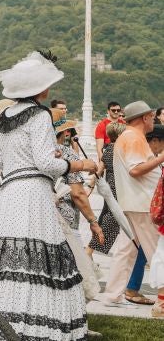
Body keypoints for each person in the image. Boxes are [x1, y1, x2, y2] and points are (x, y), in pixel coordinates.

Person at [0, 55, 98, 341]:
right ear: (40, 90)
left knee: (8, 260)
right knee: (40, 258)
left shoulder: (5, 118)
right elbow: (45, 163)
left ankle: (3, 329)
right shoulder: (40, 116)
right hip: (33, 194)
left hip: (9, 195)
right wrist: (78, 164)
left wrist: (26, 156)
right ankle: (36, 334)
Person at [102, 101, 164, 316]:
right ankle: (162, 301)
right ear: (143, 118)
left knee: (125, 251)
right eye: (151, 116)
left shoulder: (126, 137)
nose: (154, 120)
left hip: (132, 202)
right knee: (157, 250)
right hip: (143, 203)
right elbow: (136, 170)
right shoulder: (134, 138)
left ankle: (112, 295)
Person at [51, 116, 105, 302]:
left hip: (42, 215)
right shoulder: (66, 153)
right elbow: (78, 194)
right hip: (66, 219)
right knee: (78, 269)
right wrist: (93, 222)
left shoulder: (38, 152)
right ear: (65, 132)